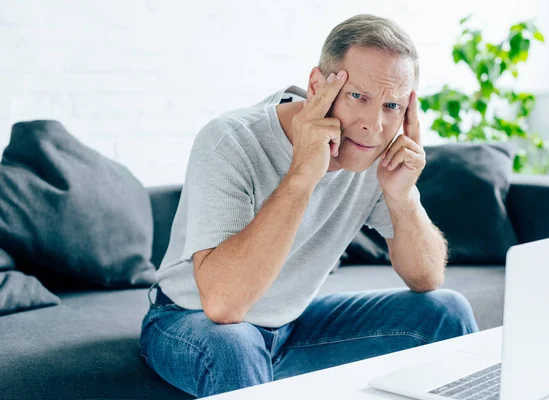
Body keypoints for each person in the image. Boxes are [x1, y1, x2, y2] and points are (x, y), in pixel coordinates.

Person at [138, 13, 479, 398]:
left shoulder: (376, 151)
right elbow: (223, 306)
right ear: (318, 86)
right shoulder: (230, 141)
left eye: (392, 106)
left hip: (293, 324)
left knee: (446, 311)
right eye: (358, 96)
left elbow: (427, 278)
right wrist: (302, 174)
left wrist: (401, 196)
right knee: (233, 346)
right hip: (191, 321)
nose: (374, 125)